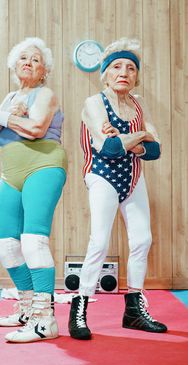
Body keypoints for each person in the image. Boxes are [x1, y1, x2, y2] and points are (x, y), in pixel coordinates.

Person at [68, 37, 167, 340]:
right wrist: (139, 139)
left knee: (143, 239)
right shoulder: (93, 103)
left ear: (137, 76)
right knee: (99, 241)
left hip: (133, 177)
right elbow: (108, 149)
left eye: (131, 68)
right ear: (106, 73)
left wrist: (129, 139)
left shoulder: (138, 105)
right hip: (102, 176)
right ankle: (79, 305)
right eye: (116, 67)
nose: (124, 72)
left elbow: (156, 151)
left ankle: (134, 310)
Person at [0, 37, 67, 343]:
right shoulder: (10, 96)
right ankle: (28, 307)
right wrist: (2, 115)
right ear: (14, 66)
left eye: (35, 59)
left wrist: (2, 116)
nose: (28, 62)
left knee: (33, 240)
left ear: (44, 69)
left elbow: (36, 129)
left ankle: (46, 321)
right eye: (22, 58)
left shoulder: (46, 94)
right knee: (5, 242)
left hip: (44, 165)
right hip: (11, 172)